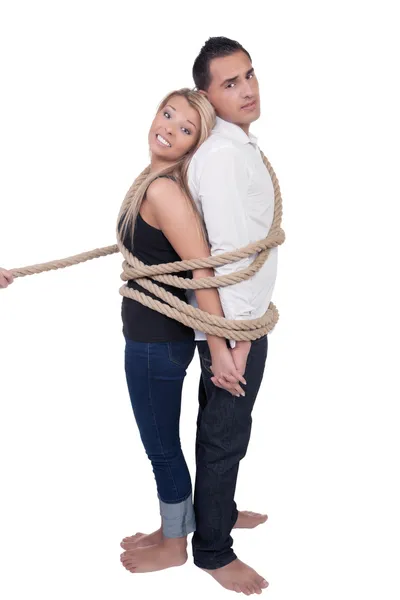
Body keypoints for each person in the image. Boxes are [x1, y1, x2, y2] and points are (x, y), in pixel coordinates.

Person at [122, 37, 277, 596]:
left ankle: (193, 541)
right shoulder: (175, 174)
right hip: (197, 329)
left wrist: (227, 341)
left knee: (191, 443)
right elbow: (208, 258)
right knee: (209, 439)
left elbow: (210, 265)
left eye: (249, 75)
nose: (248, 89)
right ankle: (198, 522)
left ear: (200, 131)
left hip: (189, 334)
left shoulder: (188, 176)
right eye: (231, 82)